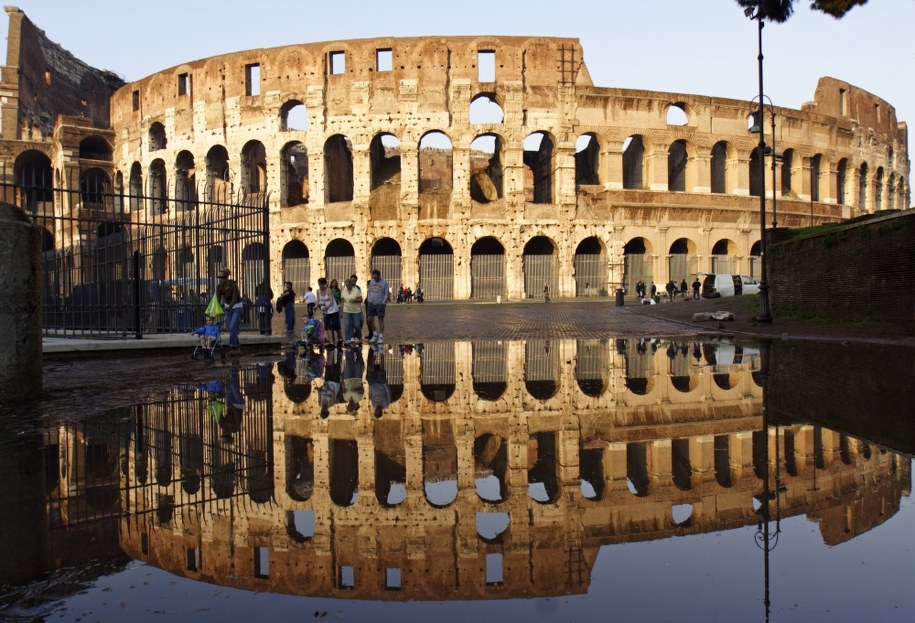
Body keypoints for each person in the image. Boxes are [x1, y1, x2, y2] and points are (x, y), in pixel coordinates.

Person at [216, 267, 243, 356]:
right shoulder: (219, 287)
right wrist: (218, 307)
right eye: (220, 278)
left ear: (227, 277)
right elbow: (217, 298)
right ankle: (237, 348)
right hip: (228, 308)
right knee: (232, 329)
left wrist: (230, 307)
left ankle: (232, 347)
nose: (221, 279)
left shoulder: (233, 284)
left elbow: (235, 297)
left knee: (232, 327)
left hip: (236, 307)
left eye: (222, 278)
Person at [367, 344, 391, 418]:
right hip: (381, 382)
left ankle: (375, 351)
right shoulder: (386, 404)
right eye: (378, 411)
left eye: (376, 410)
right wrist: (385, 384)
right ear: (381, 411)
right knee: (381, 365)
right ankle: (381, 350)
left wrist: (370, 386)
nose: (377, 409)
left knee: (370, 366)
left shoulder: (374, 405)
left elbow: (371, 396)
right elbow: (388, 393)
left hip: (373, 383)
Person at [365, 269, 389, 344]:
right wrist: (369, 300)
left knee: (380, 320)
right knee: (369, 319)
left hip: (380, 303)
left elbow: (386, 293)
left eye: (375, 277)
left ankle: (381, 336)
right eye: (372, 276)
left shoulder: (384, 282)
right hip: (371, 303)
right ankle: (375, 334)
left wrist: (383, 302)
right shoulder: (372, 281)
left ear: (378, 275)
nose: (373, 278)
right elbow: (369, 291)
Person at [316, 277, 341, 347]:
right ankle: (331, 342)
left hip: (333, 309)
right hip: (326, 311)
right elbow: (318, 301)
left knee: (335, 326)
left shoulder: (328, 290)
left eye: (322, 284)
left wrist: (326, 307)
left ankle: (340, 337)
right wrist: (316, 306)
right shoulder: (318, 291)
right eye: (319, 284)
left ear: (325, 284)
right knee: (327, 326)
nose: (320, 286)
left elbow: (332, 301)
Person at [340, 276, 364, 345]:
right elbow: (342, 302)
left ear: (351, 284)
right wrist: (341, 312)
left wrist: (355, 300)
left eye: (348, 285)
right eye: (346, 285)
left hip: (356, 311)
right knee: (347, 325)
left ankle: (358, 337)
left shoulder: (356, 290)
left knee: (357, 325)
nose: (347, 286)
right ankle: (349, 339)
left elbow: (361, 299)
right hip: (346, 311)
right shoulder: (344, 291)